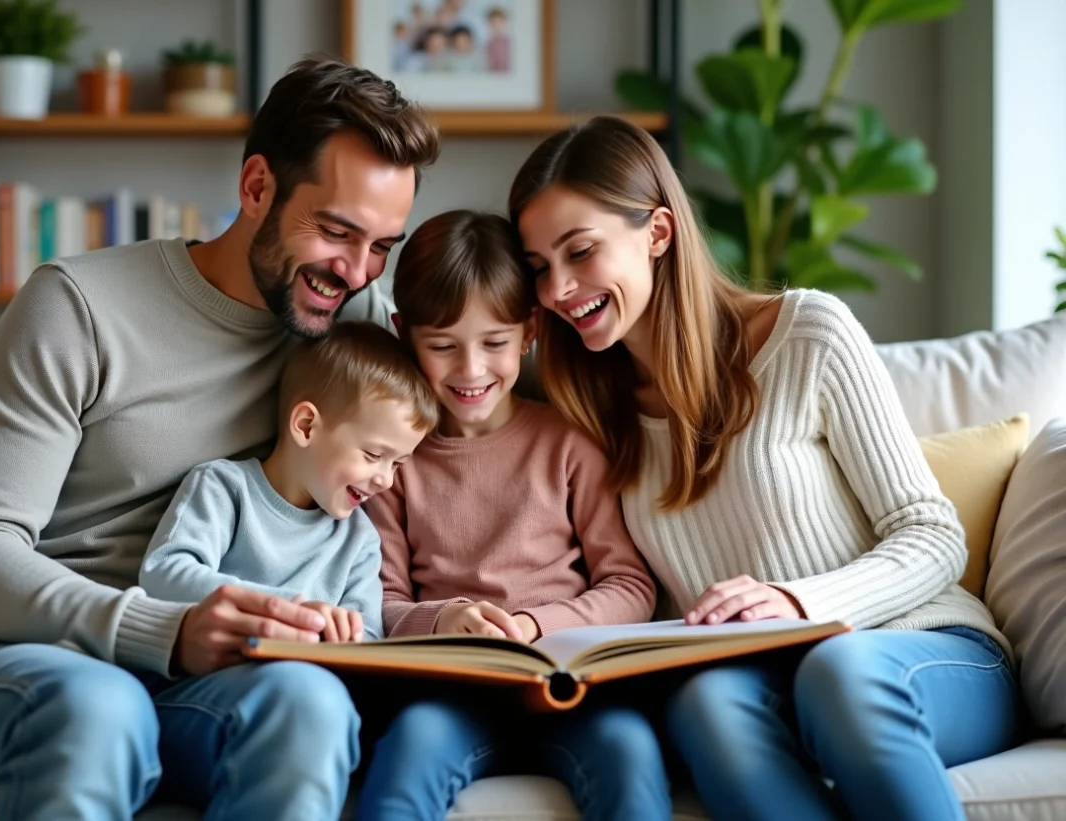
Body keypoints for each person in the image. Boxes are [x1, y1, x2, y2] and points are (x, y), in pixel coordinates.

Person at [0, 58, 439, 821]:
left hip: (215, 686)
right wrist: (156, 627)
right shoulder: (78, 305)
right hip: (42, 665)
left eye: (381, 248)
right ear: (256, 187)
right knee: (100, 710)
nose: (357, 272)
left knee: (310, 703)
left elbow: (493, 361)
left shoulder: (352, 337)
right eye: (335, 231)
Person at [509, 115, 1023, 821]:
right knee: (706, 705)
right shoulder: (589, 408)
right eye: (539, 266)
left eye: (580, 251)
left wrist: (798, 603)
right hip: (761, 679)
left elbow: (934, 534)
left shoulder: (808, 334)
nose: (557, 289)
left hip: (925, 650)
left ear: (658, 233)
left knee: (838, 673)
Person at [353, 210, 667, 821]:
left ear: (528, 332)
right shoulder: (393, 461)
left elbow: (630, 586)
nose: (471, 371)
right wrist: (444, 620)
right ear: (403, 333)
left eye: (494, 343)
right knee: (409, 753)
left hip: (568, 690)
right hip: (451, 697)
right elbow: (377, 603)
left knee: (629, 750)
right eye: (442, 347)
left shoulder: (569, 442)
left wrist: (531, 626)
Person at [140, 322, 440, 645]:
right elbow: (163, 573)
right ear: (306, 426)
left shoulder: (360, 541)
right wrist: (288, 611)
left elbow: (366, 637)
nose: (385, 479)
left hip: (307, 679)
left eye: (397, 463)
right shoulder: (224, 489)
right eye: (372, 454)